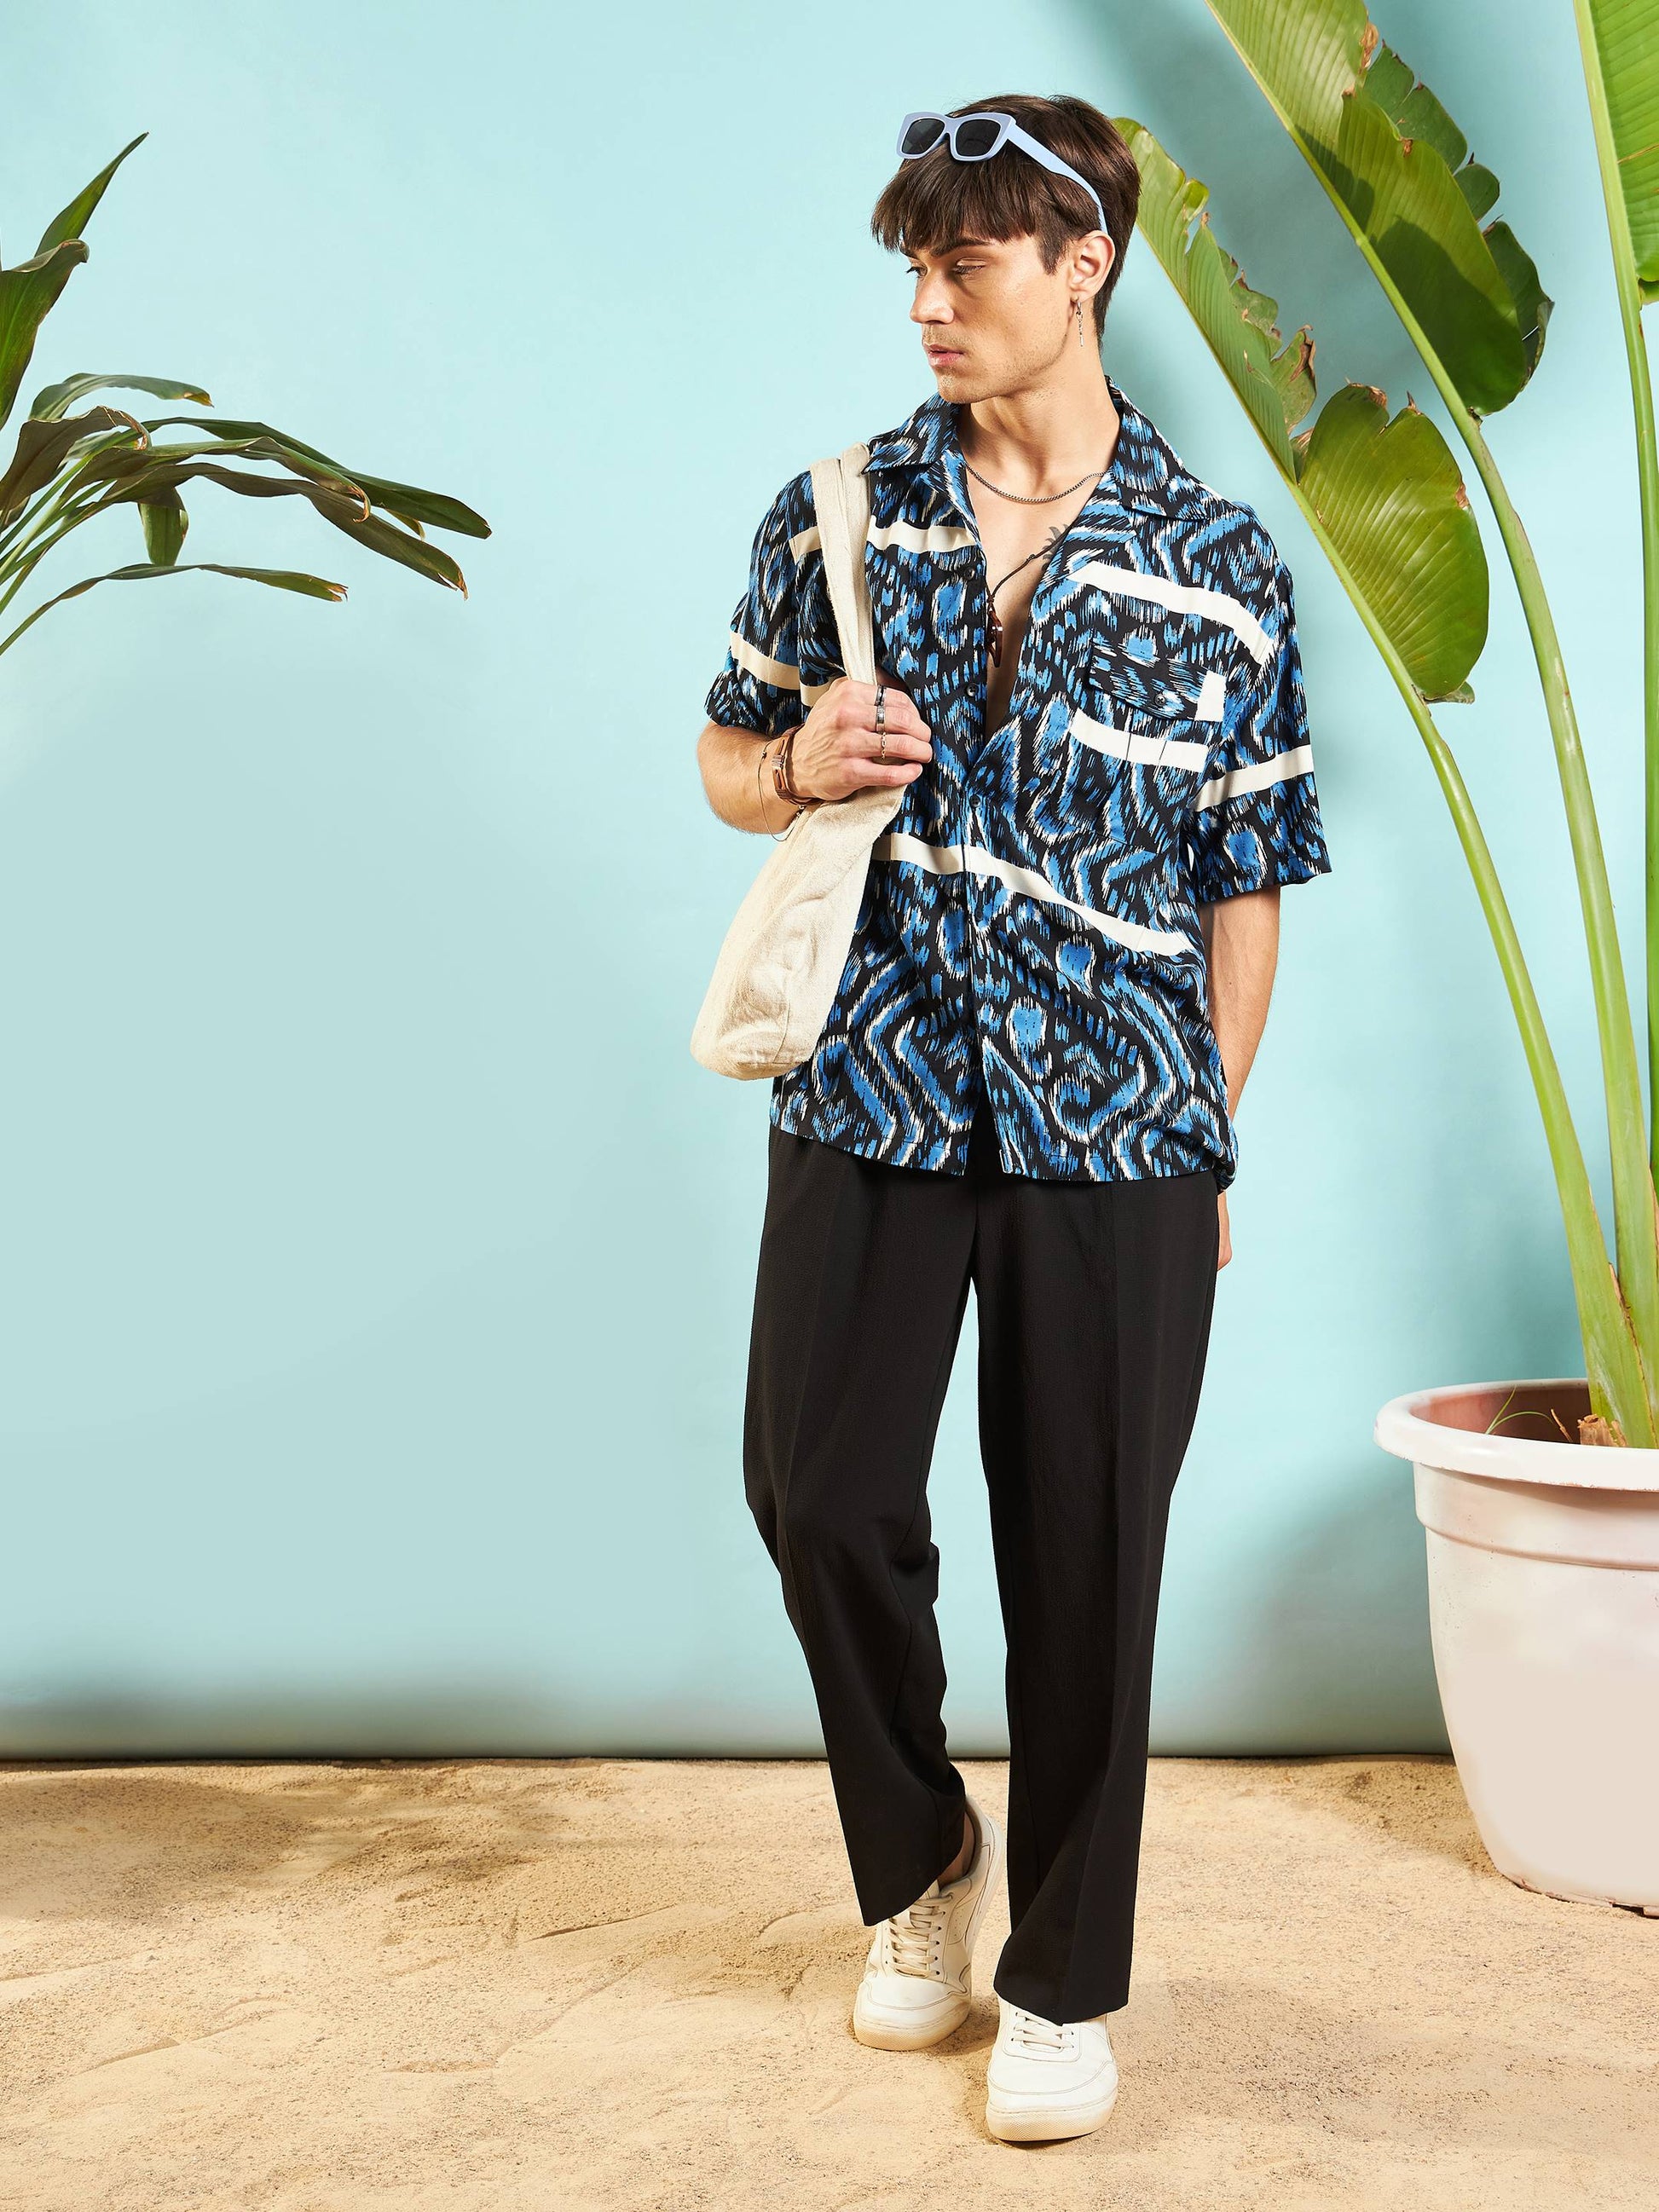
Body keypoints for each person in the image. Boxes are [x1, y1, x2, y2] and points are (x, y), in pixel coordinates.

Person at [695, 92, 1331, 2145]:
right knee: (814, 1486)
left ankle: (1061, 1979)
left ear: (1083, 266)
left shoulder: (1222, 563)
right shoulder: (836, 511)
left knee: (1088, 1562)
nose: (927, 302)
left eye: (964, 263)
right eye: (913, 265)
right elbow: (721, 755)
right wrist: (796, 759)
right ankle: (918, 1860)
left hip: (1120, 1127)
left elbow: (1247, 880)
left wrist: (1204, 1126)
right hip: (872, 1084)